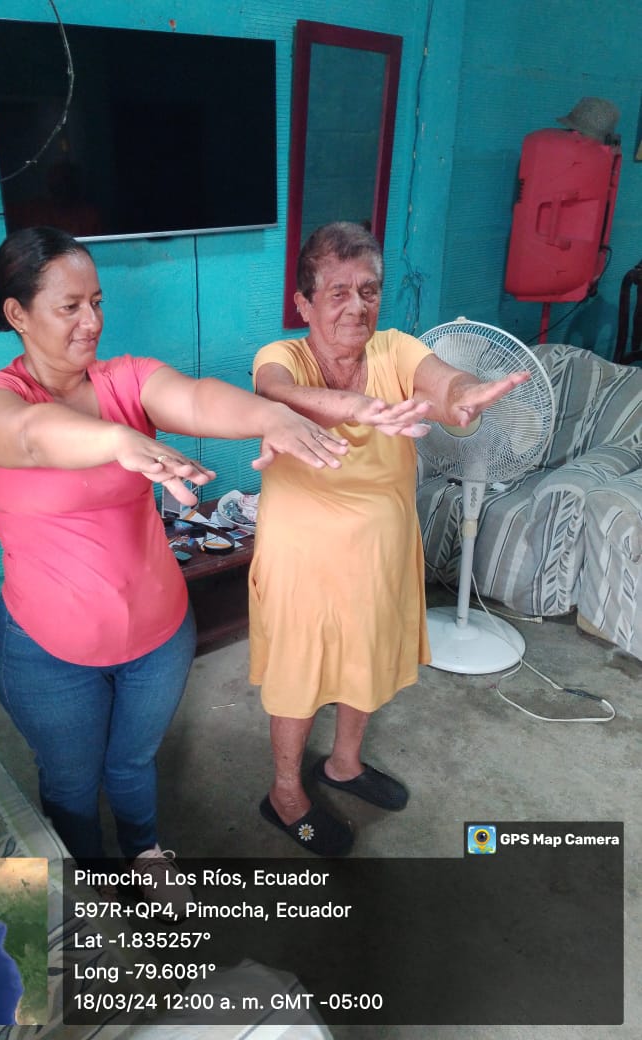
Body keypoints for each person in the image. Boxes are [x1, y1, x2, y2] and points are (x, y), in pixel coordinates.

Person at [0, 226, 348, 883]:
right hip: (50, 652)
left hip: (158, 634)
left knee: (133, 763)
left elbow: (193, 396)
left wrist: (269, 417)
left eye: (97, 303)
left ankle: (144, 852)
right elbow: (28, 436)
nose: (92, 322)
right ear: (18, 314)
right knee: (71, 783)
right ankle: (91, 878)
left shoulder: (125, 379)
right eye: (70, 306)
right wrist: (118, 441)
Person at [249, 221, 530, 857]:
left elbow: (443, 381)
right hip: (302, 558)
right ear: (304, 304)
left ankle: (344, 764)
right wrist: (353, 409)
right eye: (338, 292)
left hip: (380, 550)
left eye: (369, 291)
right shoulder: (281, 357)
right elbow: (276, 394)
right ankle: (285, 794)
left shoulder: (395, 350)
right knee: (299, 673)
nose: (357, 306)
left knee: (368, 657)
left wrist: (465, 395)